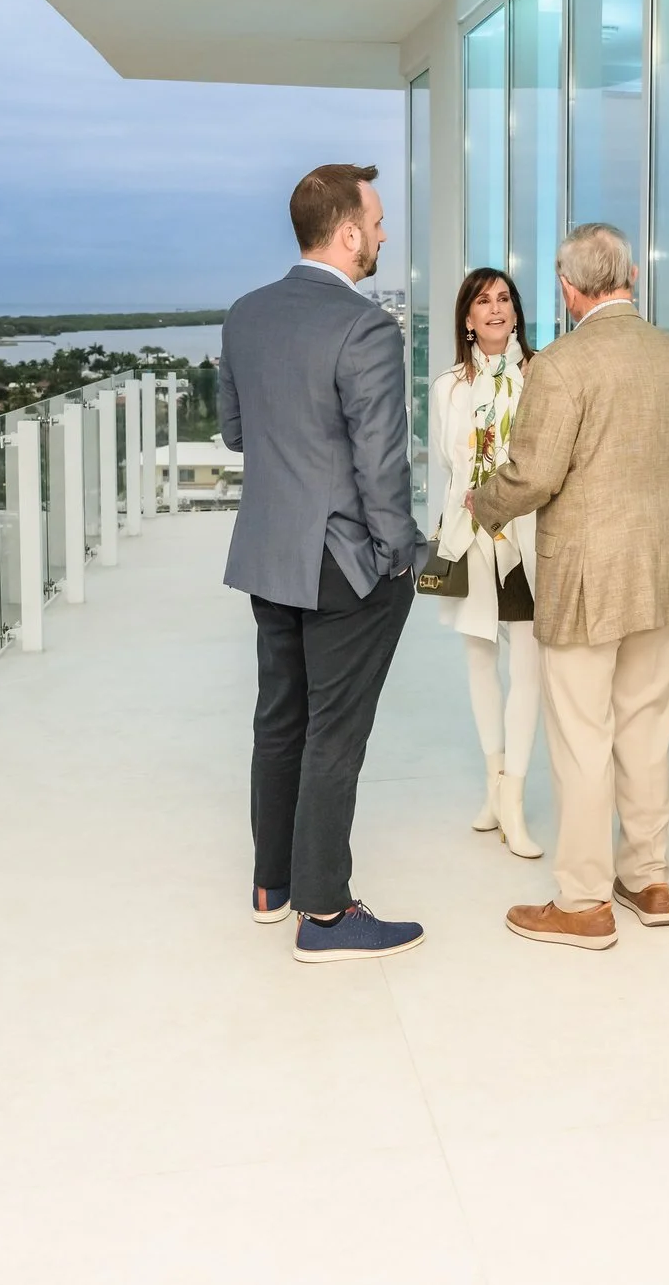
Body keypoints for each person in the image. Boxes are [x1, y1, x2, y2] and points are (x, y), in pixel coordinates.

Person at [468, 222, 669, 950]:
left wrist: (482, 502)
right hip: (662, 568)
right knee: (646, 726)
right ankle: (649, 877)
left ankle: (582, 901)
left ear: (569, 288)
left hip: (584, 576)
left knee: (581, 737)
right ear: (631, 273)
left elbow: (536, 475)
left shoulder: (563, 365)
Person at [219, 162, 427, 963]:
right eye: (375, 221)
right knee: (333, 735)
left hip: (271, 553)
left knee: (281, 718)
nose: (381, 233)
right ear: (345, 232)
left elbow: (238, 433)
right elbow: (383, 468)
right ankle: (327, 916)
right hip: (346, 561)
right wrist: (398, 558)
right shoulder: (366, 328)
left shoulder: (245, 316)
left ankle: (272, 886)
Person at [429, 266, 543, 858]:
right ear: (467, 319)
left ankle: (516, 802)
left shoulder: (541, 375)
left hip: (526, 537)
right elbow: (451, 466)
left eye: (503, 298)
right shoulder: (449, 385)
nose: (495, 308)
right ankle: (493, 785)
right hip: (471, 534)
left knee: (528, 666)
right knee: (480, 660)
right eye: (482, 300)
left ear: (516, 312)